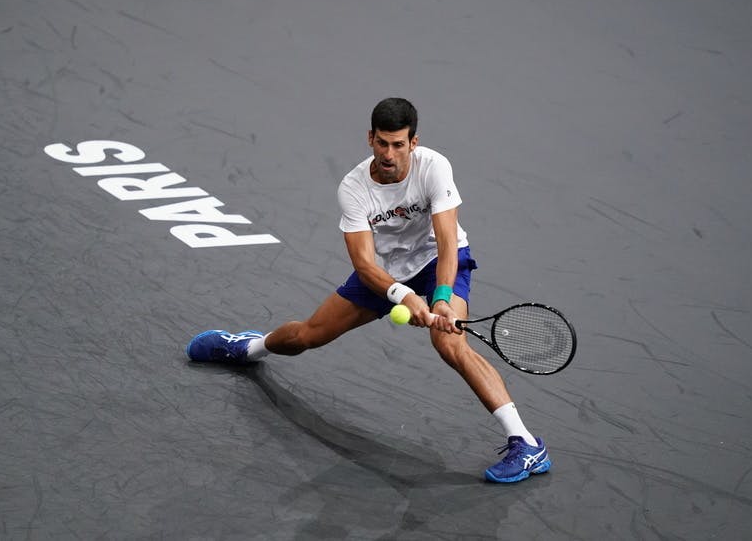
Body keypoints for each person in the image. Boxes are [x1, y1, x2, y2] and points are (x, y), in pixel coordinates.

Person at [186, 97, 551, 483]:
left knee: (449, 344)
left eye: (398, 144)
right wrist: (404, 296)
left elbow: (446, 243)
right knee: (311, 335)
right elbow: (364, 264)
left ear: (414, 142)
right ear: (370, 139)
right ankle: (247, 347)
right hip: (386, 273)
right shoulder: (354, 188)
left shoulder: (434, 167)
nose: (389, 154)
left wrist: (441, 298)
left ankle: (526, 444)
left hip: (438, 262)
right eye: (381, 143)